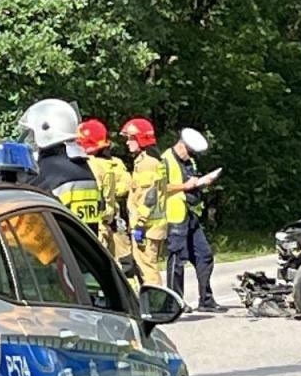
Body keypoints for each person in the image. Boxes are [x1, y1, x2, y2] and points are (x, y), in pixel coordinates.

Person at [162, 127, 225, 312]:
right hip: (173, 215)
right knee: (177, 259)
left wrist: (202, 182)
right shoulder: (165, 160)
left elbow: (192, 182)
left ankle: (206, 300)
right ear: (181, 145)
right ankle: (175, 302)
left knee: (204, 255)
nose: (190, 156)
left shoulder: (189, 162)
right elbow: (160, 187)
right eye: (189, 152)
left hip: (189, 214)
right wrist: (185, 186)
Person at [19, 99, 104, 235]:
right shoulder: (84, 168)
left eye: (32, 134)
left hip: (57, 246)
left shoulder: (45, 172)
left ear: (46, 131)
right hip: (83, 245)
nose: (31, 139)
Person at [77, 118, 135, 277]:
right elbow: (127, 186)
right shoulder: (116, 163)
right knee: (127, 267)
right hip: (115, 223)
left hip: (99, 224)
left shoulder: (89, 165)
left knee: (100, 269)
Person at [120, 117, 168, 286]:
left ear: (141, 139)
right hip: (154, 226)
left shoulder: (147, 163)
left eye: (130, 138)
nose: (127, 143)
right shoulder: (152, 160)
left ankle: (156, 300)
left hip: (147, 227)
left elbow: (149, 196)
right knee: (148, 266)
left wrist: (140, 224)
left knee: (148, 269)